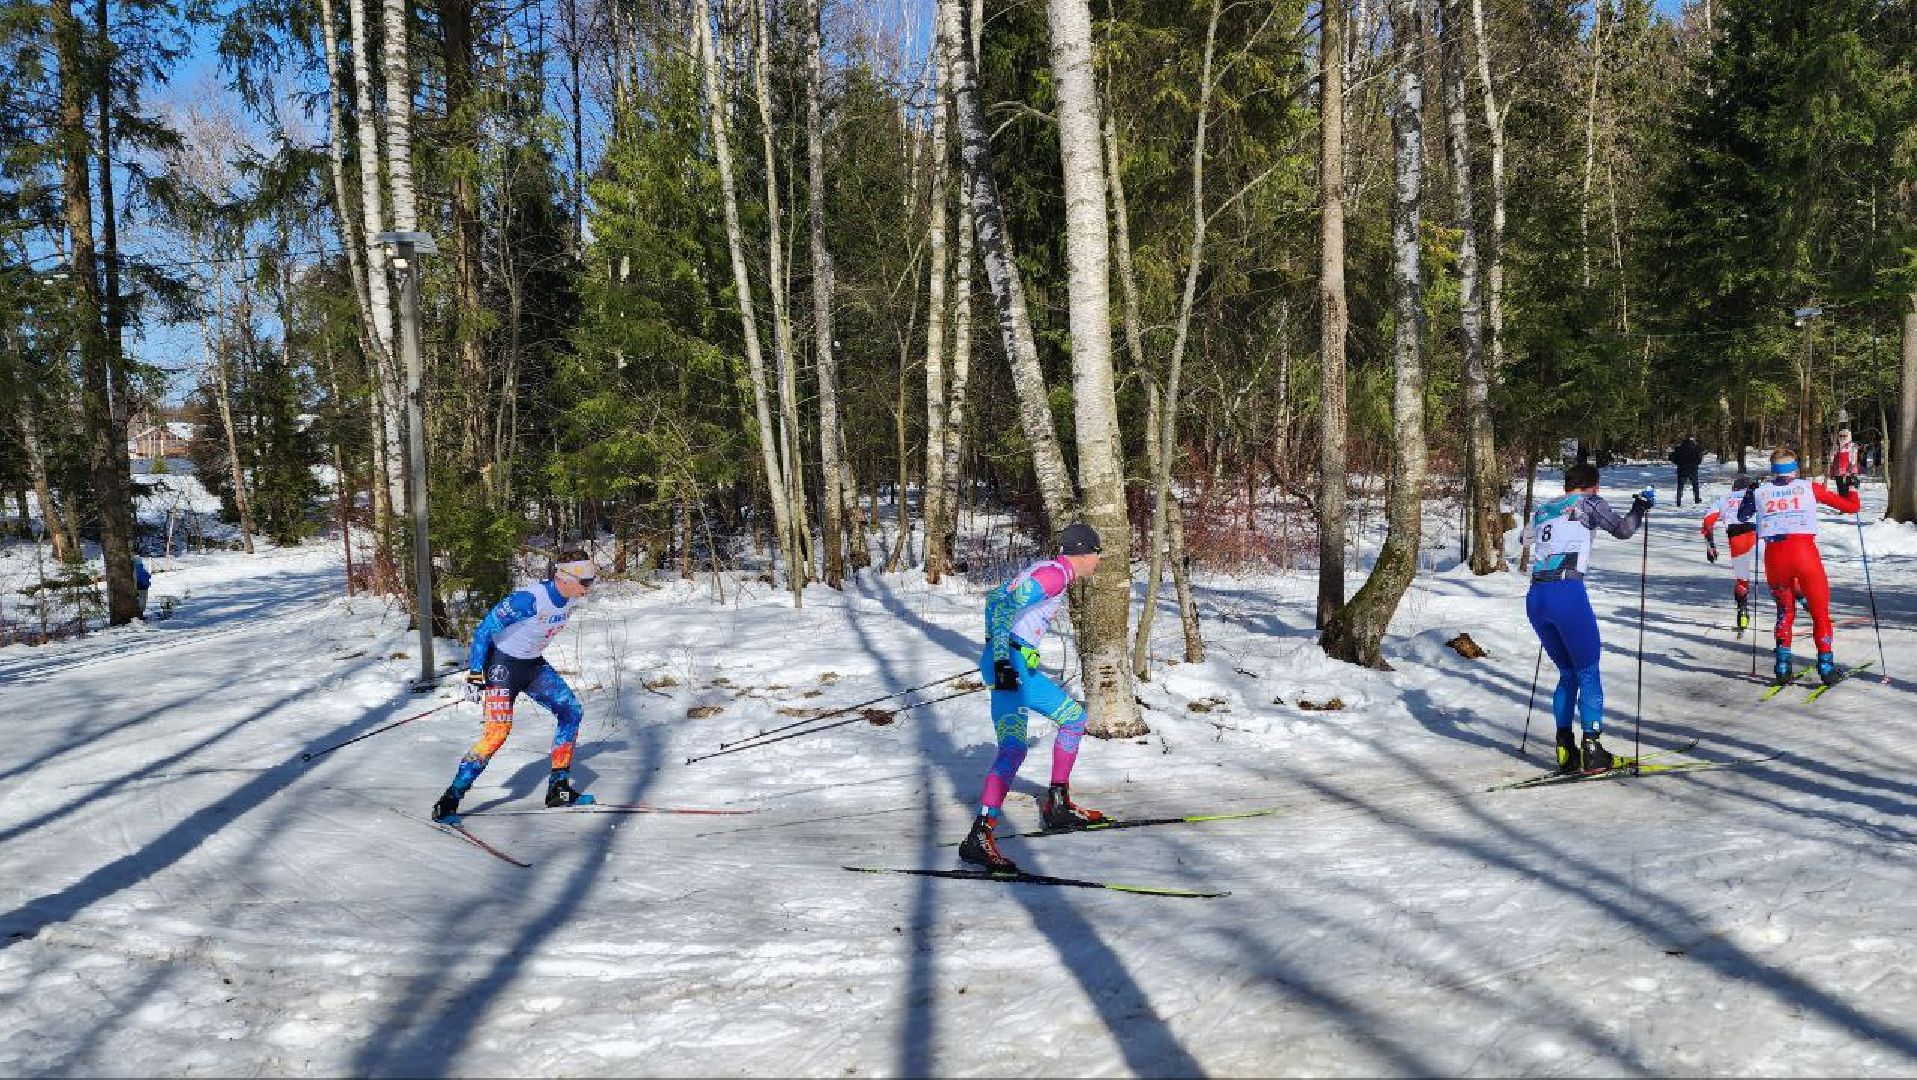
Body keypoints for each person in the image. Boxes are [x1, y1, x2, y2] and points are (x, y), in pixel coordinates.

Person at [958, 522, 1107, 874]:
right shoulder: (1055, 576)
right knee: (1073, 719)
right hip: (1009, 664)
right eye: (1097, 553)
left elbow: (994, 599)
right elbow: (1005, 607)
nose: (1099, 560)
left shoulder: (1047, 569)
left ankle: (983, 832)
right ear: (1084, 553)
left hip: (1008, 661)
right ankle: (1056, 805)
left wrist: (1002, 652)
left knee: (1013, 748)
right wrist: (1003, 657)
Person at [432, 549, 596, 822]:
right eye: (585, 582)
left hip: (532, 667)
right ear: (565, 577)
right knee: (497, 733)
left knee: (571, 712)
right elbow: (484, 629)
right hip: (502, 668)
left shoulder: (570, 598)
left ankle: (558, 788)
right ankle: (449, 800)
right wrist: (475, 673)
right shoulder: (528, 600)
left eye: (591, 581)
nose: (589, 588)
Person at [1524, 464, 1654, 774]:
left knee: (1567, 673)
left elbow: (1525, 539)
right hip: (1567, 593)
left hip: (1536, 596)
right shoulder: (1589, 502)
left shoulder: (1545, 508)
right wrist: (1640, 506)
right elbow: (1623, 530)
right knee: (1588, 671)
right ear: (1593, 486)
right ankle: (1593, 750)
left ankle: (1565, 749)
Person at [1738, 450, 1861, 686]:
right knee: (1819, 613)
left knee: (1785, 612)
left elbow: (1743, 516)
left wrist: (1750, 493)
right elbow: (1850, 508)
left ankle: (1782, 668)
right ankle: (1826, 667)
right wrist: (1853, 488)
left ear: (1773, 470)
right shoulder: (1809, 487)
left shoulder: (1760, 491)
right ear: (1794, 469)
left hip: (1775, 557)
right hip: (1804, 553)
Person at [1700, 475, 1758, 634]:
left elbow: (1708, 521)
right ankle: (1803, 602)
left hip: (1736, 537)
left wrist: (1710, 545)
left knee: (1742, 577)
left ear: (1734, 488)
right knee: (1779, 574)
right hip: (1758, 535)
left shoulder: (1723, 499)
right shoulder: (1758, 494)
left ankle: (1743, 612)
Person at [1670, 434, 1705, 507]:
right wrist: (1695, 463)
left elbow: (1672, 458)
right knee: (1695, 485)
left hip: (1682, 469)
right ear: (1693, 440)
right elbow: (1699, 460)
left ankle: (1678, 501)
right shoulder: (1696, 448)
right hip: (1693, 469)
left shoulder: (1679, 448)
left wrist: (1679, 463)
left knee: (1680, 486)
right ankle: (1697, 499)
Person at [1830, 428, 1861, 497]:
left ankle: (1850, 506)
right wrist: (1832, 472)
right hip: (1838, 474)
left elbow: (1852, 460)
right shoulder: (1836, 447)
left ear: (1849, 436)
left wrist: (1851, 472)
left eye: (1844, 436)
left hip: (1848, 474)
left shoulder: (1852, 446)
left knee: (1847, 493)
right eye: (1840, 436)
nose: (1842, 438)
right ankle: (1843, 506)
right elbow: (1832, 461)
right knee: (1841, 493)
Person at [133, 556, 151, 620]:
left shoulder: (133, 569)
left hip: (137, 587)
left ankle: (137, 615)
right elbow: (147, 576)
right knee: (142, 602)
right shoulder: (142, 569)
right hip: (143, 587)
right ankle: (140, 615)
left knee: (138, 601)